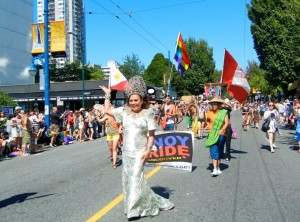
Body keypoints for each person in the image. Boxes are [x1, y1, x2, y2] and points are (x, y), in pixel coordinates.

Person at [99, 76, 174, 220]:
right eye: (131, 100)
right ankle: (142, 202)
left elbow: (151, 134)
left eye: (136, 100)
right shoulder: (123, 112)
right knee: (129, 180)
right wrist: (108, 94)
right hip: (126, 153)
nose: (133, 103)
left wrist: (148, 150)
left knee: (135, 177)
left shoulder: (148, 113)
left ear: (141, 100)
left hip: (140, 152)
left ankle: (133, 210)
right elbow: (107, 111)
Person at [205, 97, 229, 176]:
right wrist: (208, 126)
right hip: (212, 135)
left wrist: (222, 129)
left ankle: (218, 167)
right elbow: (208, 121)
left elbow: (226, 123)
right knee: (213, 151)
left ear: (218, 105)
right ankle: (214, 169)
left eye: (215, 104)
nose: (213, 105)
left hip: (221, 134)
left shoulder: (223, 112)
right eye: (212, 104)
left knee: (219, 151)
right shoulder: (209, 112)